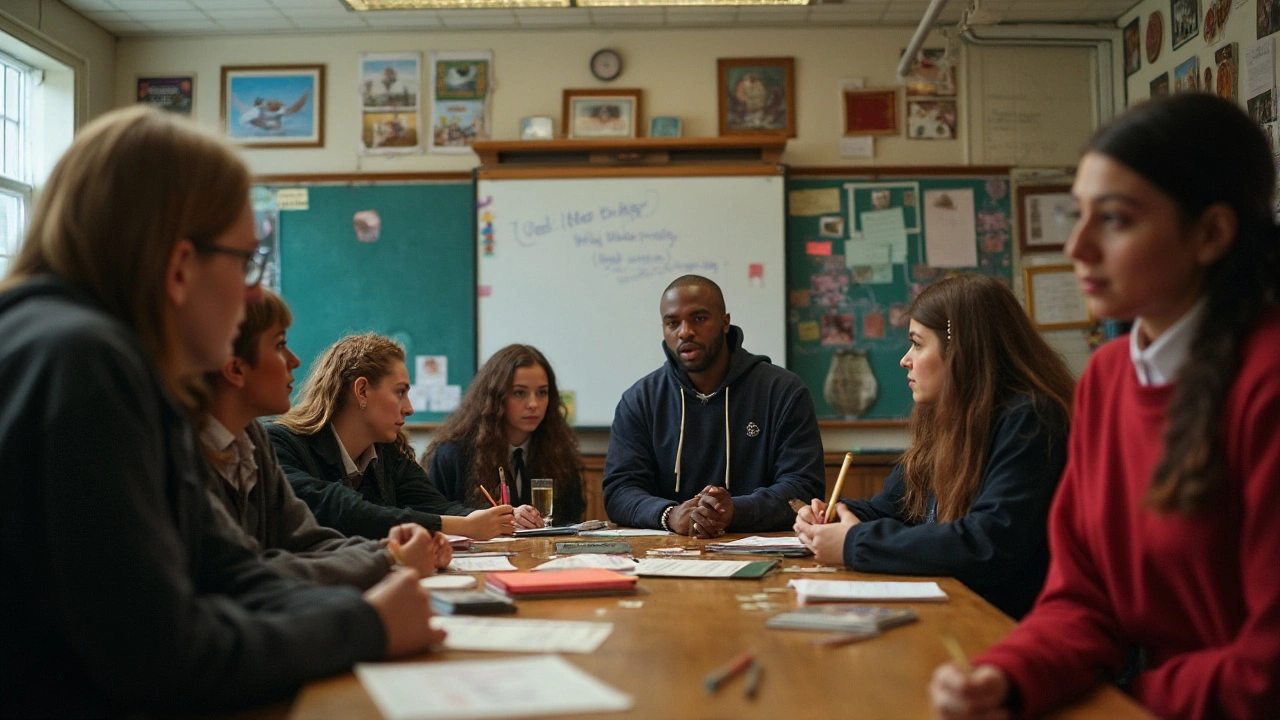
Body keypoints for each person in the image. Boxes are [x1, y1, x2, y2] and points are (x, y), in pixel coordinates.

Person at [0, 106, 442, 718]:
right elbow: (164, 657)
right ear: (180, 267)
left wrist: (369, 605)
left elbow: (231, 575)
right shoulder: (82, 361)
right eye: (246, 263)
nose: (254, 293)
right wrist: (366, 627)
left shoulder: (134, 374)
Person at [930, 94, 1280, 719]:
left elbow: (1267, 669)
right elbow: (1083, 601)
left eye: (1114, 219)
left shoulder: (1265, 382)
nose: (1077, 247)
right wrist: (1006, 677)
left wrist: (1118, 699)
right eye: (1077, 215)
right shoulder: (1109, 377)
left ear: (1211, 233)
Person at [793, 274, 1074, 619]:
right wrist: (832, 516)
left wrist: (853, 543)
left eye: (917, 343)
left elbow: (986, 545)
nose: (905, 360)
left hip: (1004, 624)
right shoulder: (945, 418)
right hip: (957, 610)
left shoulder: (1031, 419)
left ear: (961, 351)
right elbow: (887, 508)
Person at [201, 289, 451, 588]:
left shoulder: (251, 440)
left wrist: (390, 551)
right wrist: (390, 559)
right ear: (235, 368)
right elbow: (246, 577)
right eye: (280, 344)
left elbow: (308, 540)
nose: (294, 360)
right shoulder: (253, 444)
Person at [602, 274, 825, 536]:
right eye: (673, 323)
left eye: (698, 319)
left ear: (725, 322)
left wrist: (733, 512)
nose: (684, 331)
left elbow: (803, 487)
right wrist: (671, 515)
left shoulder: (783, 391)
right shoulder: (640, 400)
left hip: (763, 553)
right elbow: (620, 491)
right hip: (667, 554)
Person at [269, 333, 514, 540]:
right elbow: (342, 510)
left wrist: (502, 519)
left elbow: (437, 507)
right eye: (400, 392)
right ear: (362, 390)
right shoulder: (279, 445)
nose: (409, 408)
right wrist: (460, 526)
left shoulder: (388, 452)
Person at [422, 344, 586, 529]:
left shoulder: (559, 453)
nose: (533, 403)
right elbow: (434, 517)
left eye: (542, 393)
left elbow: (572, 522)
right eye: (519, 393)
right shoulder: (453, 453)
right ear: (495, 398)